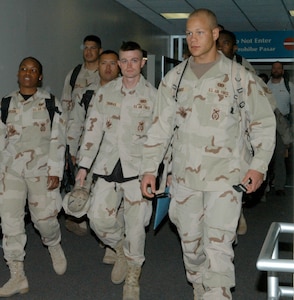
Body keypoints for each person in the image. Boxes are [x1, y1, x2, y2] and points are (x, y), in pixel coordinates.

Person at [140, 9, 276, 300]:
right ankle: (200, 283)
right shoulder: (174, 80)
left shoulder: (239, 77)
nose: (193, 38)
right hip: (184, 179)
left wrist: (258, 166)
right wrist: (149, 169)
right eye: (188, 33)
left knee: (219, 246)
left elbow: (263, 124)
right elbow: (159, 128)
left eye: (200, 32)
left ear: (215, 34)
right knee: (191, 246)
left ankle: (217, 290)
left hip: (225, 180)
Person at [75, 41, 157, 300]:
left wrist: (158, 173)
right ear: (119, 63)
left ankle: (133, 274)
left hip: (139, 170)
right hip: (107, 166)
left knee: (136, 227)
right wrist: (83, 167)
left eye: (135, 60)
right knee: (97, 219)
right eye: (124, 60)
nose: (129, 65)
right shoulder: (105, 92)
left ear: (142, 63)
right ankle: (120, 249)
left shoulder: (154, 96)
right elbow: (92, 129)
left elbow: (160, 138)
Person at [0, 57, 67, 297]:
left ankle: (53, 243)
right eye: (23, 69)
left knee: (44, 220)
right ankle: (17, 273)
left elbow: (58, 139)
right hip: (12, 171)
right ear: (18, 74)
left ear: (40, 76)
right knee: (10, 221)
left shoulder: (50, 103)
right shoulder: (6, 103)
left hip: (41, 171)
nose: (27, 73)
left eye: (33, 70)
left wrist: (55, 171)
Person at [65, 49, 121, 264]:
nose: (108, 67)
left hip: (114, 156)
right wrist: (71, 149)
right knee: (86, 196)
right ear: (97, 66)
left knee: (113, 200)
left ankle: (112, 245)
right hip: (89, 154)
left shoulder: (126, 91)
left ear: (119, 66)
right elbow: (76, 121)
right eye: (103, 63)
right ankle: (103, 233)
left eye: (112, 63)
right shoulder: (87, 93)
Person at [61, 34, 102, 235]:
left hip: (102, 140)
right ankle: (78, 217)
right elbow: (66, 106)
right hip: (79, 137)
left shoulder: (106, 74)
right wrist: (67, 143)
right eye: (86, 47)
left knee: (99, 181)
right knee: (78, 179)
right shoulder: (75, 74)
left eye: (93, 48)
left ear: (99, 51)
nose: (89, 51)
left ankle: (98, 219)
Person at [267, 61, 294, 196]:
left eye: (279, 68)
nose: (276, 70)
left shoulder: (289, 86)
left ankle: (279, 186)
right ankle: (264, 186)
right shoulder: (265, 86)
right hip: (267, 125)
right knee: (265, 156)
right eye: (274, 68)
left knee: (279, 157)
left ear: (282, 71)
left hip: (282, 125)